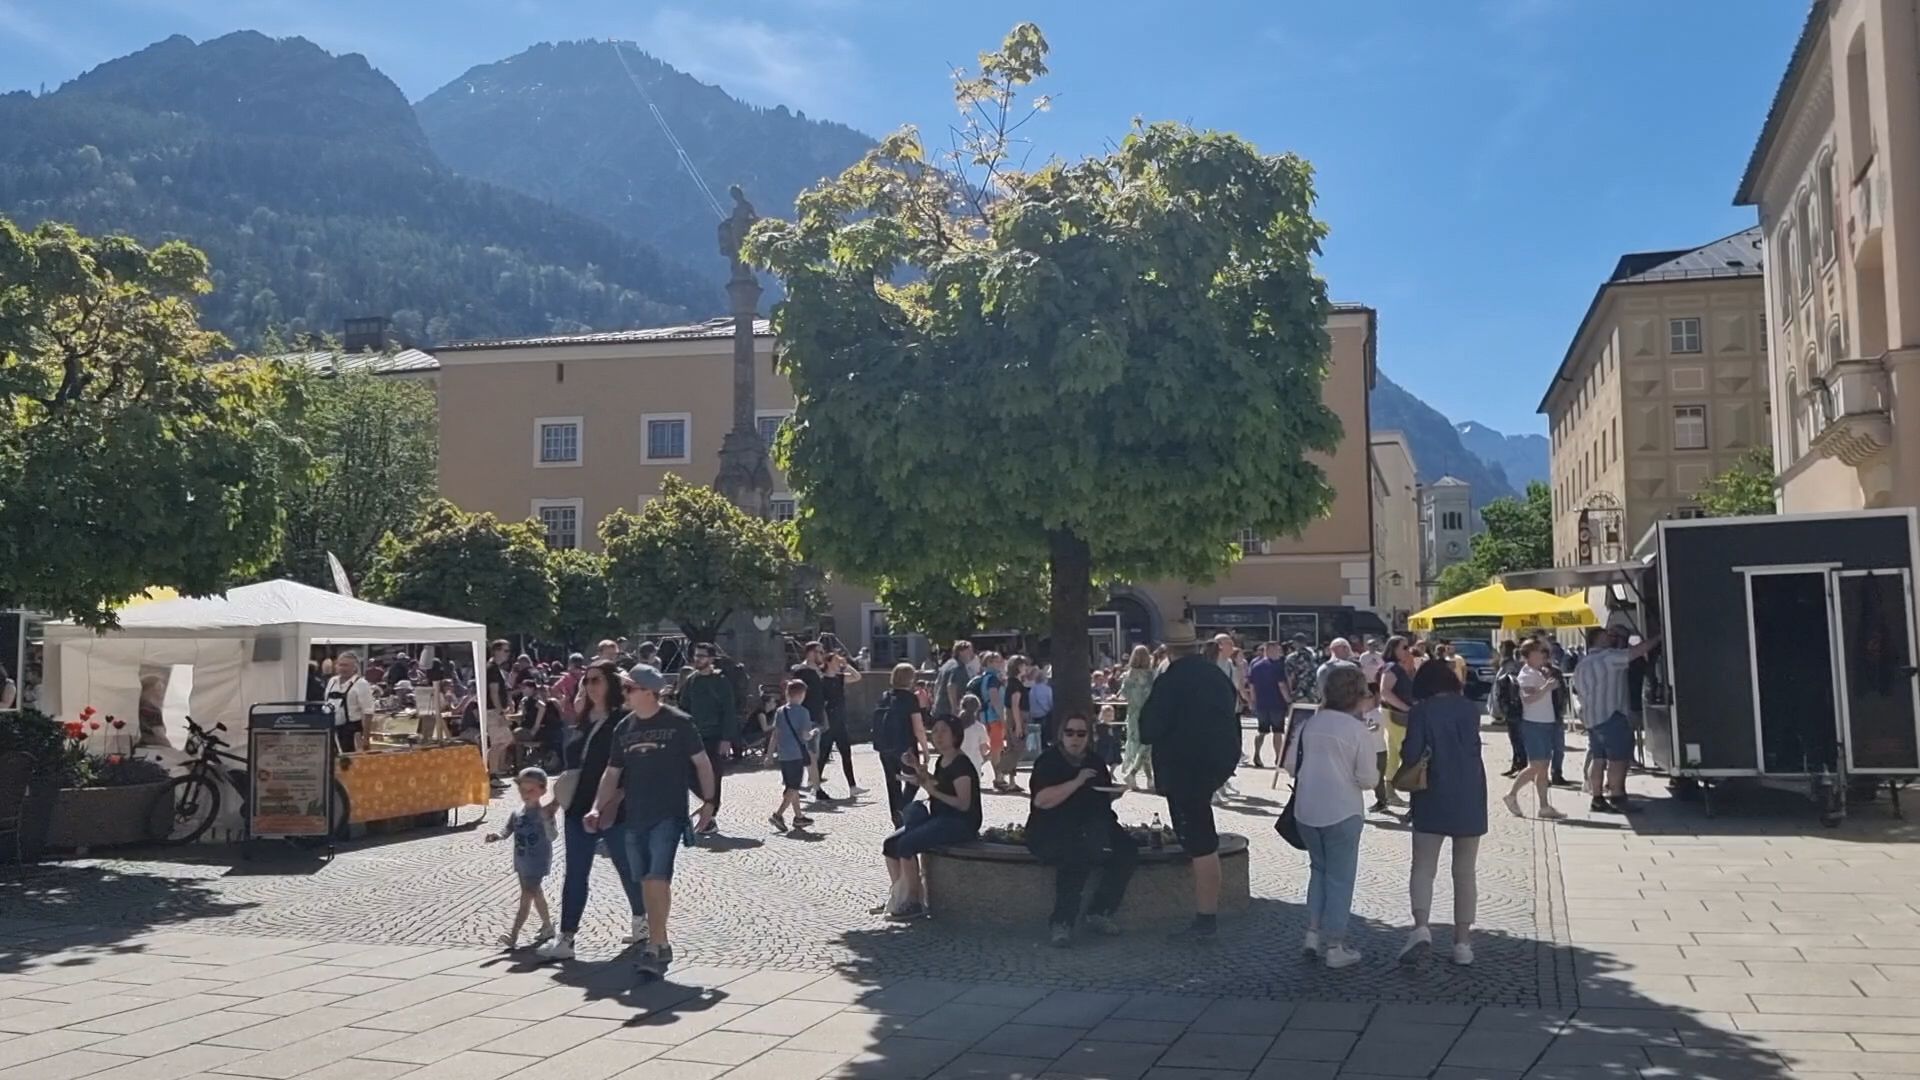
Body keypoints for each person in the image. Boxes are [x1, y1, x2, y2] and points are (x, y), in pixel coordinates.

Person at [583, 664, 717, 976]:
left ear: (648, 691)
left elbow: (702, 763)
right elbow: (612, 773)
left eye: (629, 688)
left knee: (658, 876)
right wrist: (596, 807)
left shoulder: (679, 723)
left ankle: (656, 945)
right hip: (635, 814)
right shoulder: (624, 728)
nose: (624, 694)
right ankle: (661, 941)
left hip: (668, 813)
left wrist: (709, 802)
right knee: (644, 879)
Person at [537, 660, 648, 960]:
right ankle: (567, 938)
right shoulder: (581, 721)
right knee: (575, 873)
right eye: (586, 681)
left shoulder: (625, 720)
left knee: (627, 869)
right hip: (577, 808)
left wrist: (612, 804)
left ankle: (642, 921)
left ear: (611, 683)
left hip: (614, 810)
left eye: (596, 680)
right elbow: (574, 769)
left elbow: (632, 769)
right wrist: (555, 801)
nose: (589, 686)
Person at [1138, 620, 1241, 941]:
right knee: (1198, 835)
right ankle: (1203, 912)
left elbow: (1148, 728)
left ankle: (1205, 917)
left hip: (1183, 768)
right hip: (1214, 764)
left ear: (1168, 649)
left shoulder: (1171, 680)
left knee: (1201, 841)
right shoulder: (1215, 675)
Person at [1285, 665, 1379, 969]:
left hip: (1307, 810)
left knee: (1319, 871)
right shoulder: (1357, 730)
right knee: (1340, 879)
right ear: (1358, 695)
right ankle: (1335, 945)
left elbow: (1289, 766)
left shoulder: (1309, 725)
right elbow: (1368, 779)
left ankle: (1312, 933)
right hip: (1342, 810)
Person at [1397, 659, 1488, 967]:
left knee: (1423, 866)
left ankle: (1421, 927)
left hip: (1432, 791)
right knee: (1465, 872)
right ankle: (1463, 943)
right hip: (1470, 792)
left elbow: (1411, 754)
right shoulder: (1470, 709)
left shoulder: (1422, 711)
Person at [1026, 714, 1136, 946]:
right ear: (1061, 736)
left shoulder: (1094, 762)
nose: (1075, 739)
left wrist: (1113, 794)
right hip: (1052, 826)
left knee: (1126, 849)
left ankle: (1100, 910)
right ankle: (1062, 922)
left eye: (1081, 734)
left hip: (1092, 822)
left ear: (1088, 737)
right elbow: (1042, 800)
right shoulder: (1048, 762)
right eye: (1070, 733)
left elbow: (1101, 797)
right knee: (1075, 855)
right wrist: (1076, 782)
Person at [881, 714, 981, 918]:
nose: (938, 736)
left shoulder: (961, 764)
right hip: (940, 816)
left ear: (955, 735)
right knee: (891, 843)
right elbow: (935, 783)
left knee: (907, 844)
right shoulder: (943, 760)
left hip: (960, 822)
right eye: (934, 731)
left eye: (944, 731)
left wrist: (933, 792)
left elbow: (963, 804)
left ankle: (913, 900)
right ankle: (899, 896)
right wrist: (917, 768)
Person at [1572, 627, 1658, 814]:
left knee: (1598, 758)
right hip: (1612, 715)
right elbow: (1636, 652)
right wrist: (1658, 637)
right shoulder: (1610, 658)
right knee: (1618, 760)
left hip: (1592, 717)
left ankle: (1597, 798)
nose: (1611, 639)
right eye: (1607, 636)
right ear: (1598, 639)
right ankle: (1617, 796)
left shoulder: (1582, 664)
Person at [485, 766, 559, 949]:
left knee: (526, 897)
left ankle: (514, 934)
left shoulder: (544, 813)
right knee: (536, 893)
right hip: (521, 860)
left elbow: (553, 836)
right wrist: (498, 836)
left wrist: (547, 821)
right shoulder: (517, 813)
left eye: (531, 790)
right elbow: (508, 829)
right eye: (522, 790)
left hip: (537, 861)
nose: (526, 794)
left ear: (542, 790)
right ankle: (548, 926)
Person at [680, 643, 738, 832]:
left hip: (715, 737)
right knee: (688, 775)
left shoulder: (721, 681)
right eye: (696, 656)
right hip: (694, 737)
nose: (698, 659)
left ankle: (710, 816)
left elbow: (729, 711)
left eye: (702, 656)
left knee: (713, 777)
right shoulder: (691, 680)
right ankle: (706, 806)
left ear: (711, 659)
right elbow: (684, 708)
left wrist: (726, 738)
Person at [1505, 641, 1566, 820]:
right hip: (1534, 723)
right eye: (1540, 652)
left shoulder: (1539, 672)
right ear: (1530, 655)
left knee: (1543, 767)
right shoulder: (1526, 674)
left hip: (1545, 722)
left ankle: (1544, 806)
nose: (1544, 655)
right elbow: (1528, 698)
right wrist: (1547, 687)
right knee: (1536, 766)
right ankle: (1512, 794)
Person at [874, 663, 929, 827]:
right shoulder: (910, 698)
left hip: (884, 746)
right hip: (906, 746)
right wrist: (925, 749)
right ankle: (902, 808)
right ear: (910, 679)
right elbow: (918, 727)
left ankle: (896, 817)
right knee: (915, 780)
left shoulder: (884, 696)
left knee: (892, 782)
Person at [769, 678, 819, 834]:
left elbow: (775, 735)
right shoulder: (803, 712)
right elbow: (805, 736)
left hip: (783, 754)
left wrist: (769, 754)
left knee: (791, 786)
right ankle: (778, 814)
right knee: (794, 787)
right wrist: (814, 732)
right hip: (796, 754)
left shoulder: (780, 711)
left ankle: (799, 817)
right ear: (801, 695)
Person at [1374, 636, 1415, 813]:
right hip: (1396, 715)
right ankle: (1414, 793)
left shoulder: (1397, 667)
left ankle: (1390, 792)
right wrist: (1406, 708)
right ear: (1394, 649)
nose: (1408, 650)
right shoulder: (1391, 668)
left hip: (1394, 714)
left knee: (1394, 754)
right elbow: (1385, 692)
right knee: (1407, 753)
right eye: (1404, 647)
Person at [789, 641, 833, 801]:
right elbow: (795, 693)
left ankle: (795, 785)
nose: (822, 655)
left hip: (817, 716)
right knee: (810, 754)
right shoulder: (802, 671)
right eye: (819, 652)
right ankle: (816, 788)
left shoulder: (819, 671)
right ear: (810, 653)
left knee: (812, 753)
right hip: (806, 717)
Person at [817, 651, 864, 797]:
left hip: (840, 721)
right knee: (823, 755)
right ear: (828, 663)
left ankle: (852, 786)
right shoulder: (822, 680)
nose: (839, 663)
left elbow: (857, 677)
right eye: (836, 661)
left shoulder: (840, 678)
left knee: (846, 754)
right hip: (829, 722)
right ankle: (815, 784)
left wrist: (846, 665)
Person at [1246, 641, 1291, 769]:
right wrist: (1288, 700)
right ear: (1270, 650)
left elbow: (1252, 685)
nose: (1280, 652)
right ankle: (1278, 758)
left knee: (1261, 730)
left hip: (1261, 703)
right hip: (1276, 702)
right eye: (1277, 650)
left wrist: (1253, 701)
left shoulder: (1255, 665)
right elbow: (1281, 685)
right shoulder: (1277, 666)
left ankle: (1256, 754)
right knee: (1278, 731)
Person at [1117, 645, 1156, 789]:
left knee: (1139, 744)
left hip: (1133, 713)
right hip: (1148, 713)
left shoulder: (1129, 674)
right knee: (1147, 745)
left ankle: (1150, 779)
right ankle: (1132, 773)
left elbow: (1124, 694)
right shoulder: (1151, 675)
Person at [324, 651, 376, 753]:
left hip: (351, 731)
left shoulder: (361, 684)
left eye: (346, 665)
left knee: (349, 763)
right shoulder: (332, 681)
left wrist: (365, 739)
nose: (342, 668)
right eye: (340, 665)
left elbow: (368, 712)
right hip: (331, 729)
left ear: (354, 667)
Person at [1494, 640, 1525, 777]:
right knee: (1514, 737)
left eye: (1502, 647)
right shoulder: (1506, 664)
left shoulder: (1511, 665)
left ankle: (1521, 764)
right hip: (1509, 706)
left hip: (1513, 705)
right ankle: (1516, 763)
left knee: (1517, 737)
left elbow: (1511, 684)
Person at [484, 639, 514, 775]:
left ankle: (490, 769)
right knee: (500, 742)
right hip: (493, 711)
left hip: (494, 710)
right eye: (505, 651)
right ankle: (492, 773)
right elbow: (493, 692)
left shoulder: (495, 668)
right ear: (496, 651)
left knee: (502, 741)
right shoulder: (492, 668)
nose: (508, 654)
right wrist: (500, 713)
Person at [999, 656, 1030, 784]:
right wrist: (1018, 725)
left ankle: (1011, 780)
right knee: (1018, 748)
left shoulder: (1012, 683)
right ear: (1018, 667)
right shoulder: (1016, 685)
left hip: (1012, 717)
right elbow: (1015, 705)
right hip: (1018, 716)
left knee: (1012, 748)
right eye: (1023, 665)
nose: (1026, 668)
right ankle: (1001, 771)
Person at [933, 640, 975, 720]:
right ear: (961, 652)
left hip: (940, 709)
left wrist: (935, 703)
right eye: (970, 651)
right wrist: (954, 708)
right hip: (949, 711)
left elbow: (936, 684)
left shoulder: (947, 664)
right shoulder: (958, 667)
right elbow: (951, 685)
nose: (972, 654)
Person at [1027, 664, 1054, 751]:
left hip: (1034, 713)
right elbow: (1050, 701)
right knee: (1045, 731)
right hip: (1044, 713)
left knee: (1036, 732)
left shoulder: (1032, 689)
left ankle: (1037, 747)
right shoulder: (1047, 689)